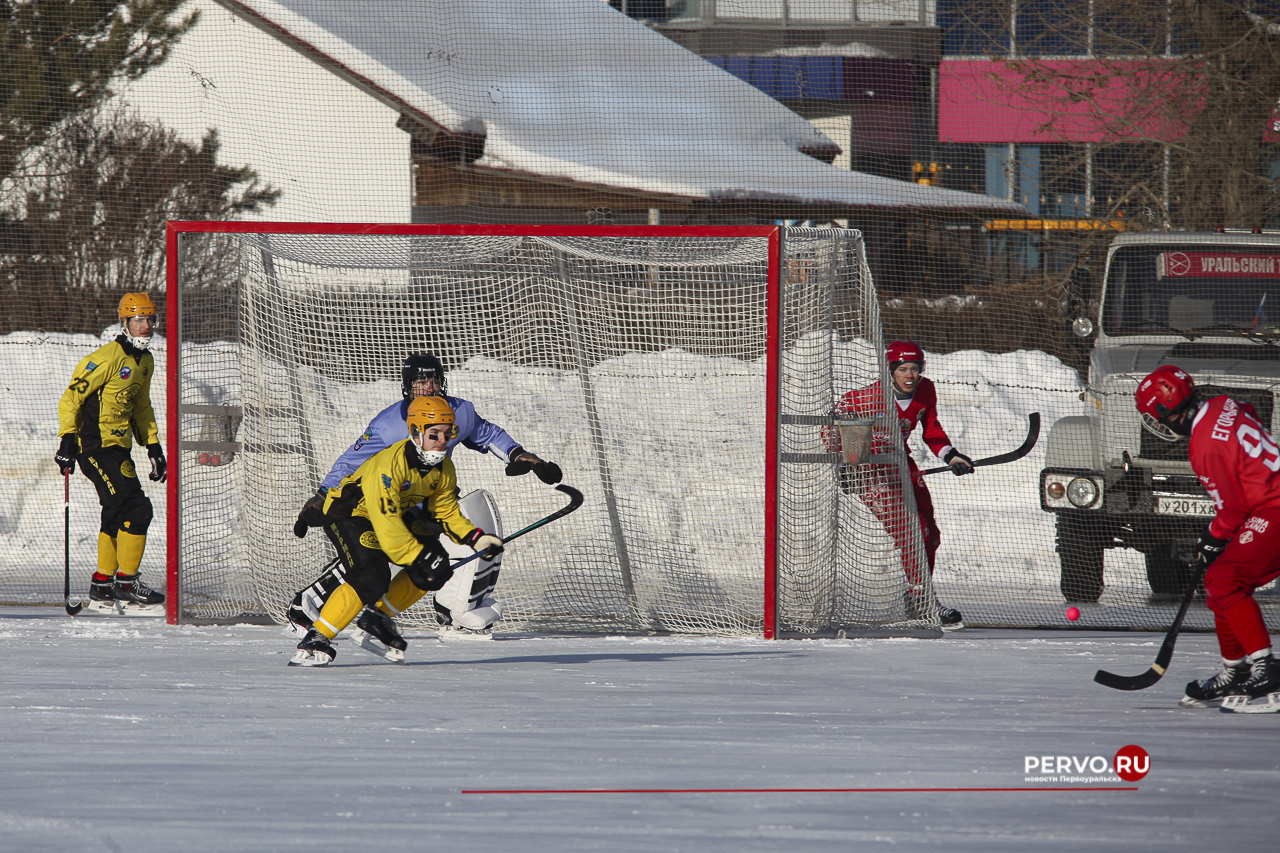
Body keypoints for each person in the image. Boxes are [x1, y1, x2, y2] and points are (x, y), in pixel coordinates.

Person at [290, 352, 561, 638]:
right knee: (372, 559)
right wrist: (323, 495)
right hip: (385, 502)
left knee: (437, 557)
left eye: (433, 380)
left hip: (429, 502)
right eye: (421, 382)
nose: (429, 388)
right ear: (408, 386)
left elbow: (486, 434)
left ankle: (441, 609)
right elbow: (350, 462)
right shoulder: (388, 425)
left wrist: (518, 454)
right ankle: (308, 605)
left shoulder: (458, 412)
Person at [291, 395, 504, 666]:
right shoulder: (389, 464)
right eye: (433, 434)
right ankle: (317, 637)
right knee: (372, 575)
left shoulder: (444, 467)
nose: (442, 441)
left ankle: (376, 618)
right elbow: (387, 524)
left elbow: (446, 511)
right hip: (352, 513)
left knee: (435, 571)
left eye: (447, 433)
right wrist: (419, 555)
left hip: (396, 513)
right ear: (415, 432)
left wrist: (477, 538)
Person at [1135, 365, 1280, 706]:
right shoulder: (1222, 403)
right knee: (1218, 581)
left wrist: (1211, 537)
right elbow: (1248, 410)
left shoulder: (1204, 448)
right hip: (1266, 504)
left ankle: (1266, 667)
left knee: (1225, 579)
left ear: (1166, 412)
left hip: (1272, 508)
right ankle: (1237, 670)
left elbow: (1233, 509)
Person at [832, 341, 973, 629]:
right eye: (903, 369)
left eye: (915, 369)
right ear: (891, 371)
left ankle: (916, 596)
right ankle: (925, 601)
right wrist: (845, 464)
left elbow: (931, 429)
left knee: (930, 533)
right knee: (912, 531)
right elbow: (837, 422)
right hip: (870, 470)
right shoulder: (870, 397)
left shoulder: (925, 390)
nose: (910, 375)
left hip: (900, 462)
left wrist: (951, 456)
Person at [55, 292, 167, 612]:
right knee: (137, 509)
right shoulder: (106, 357)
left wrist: (154, 446)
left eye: (150, 319)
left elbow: (141, 408)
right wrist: (66, 440)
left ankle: (103, 586)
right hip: (94, 446)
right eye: (138, 320)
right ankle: (127, 582)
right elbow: (71, 399)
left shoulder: (145, 361)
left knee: (116, 512)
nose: (145, 326)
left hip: (119, 447)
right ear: (125, 323)